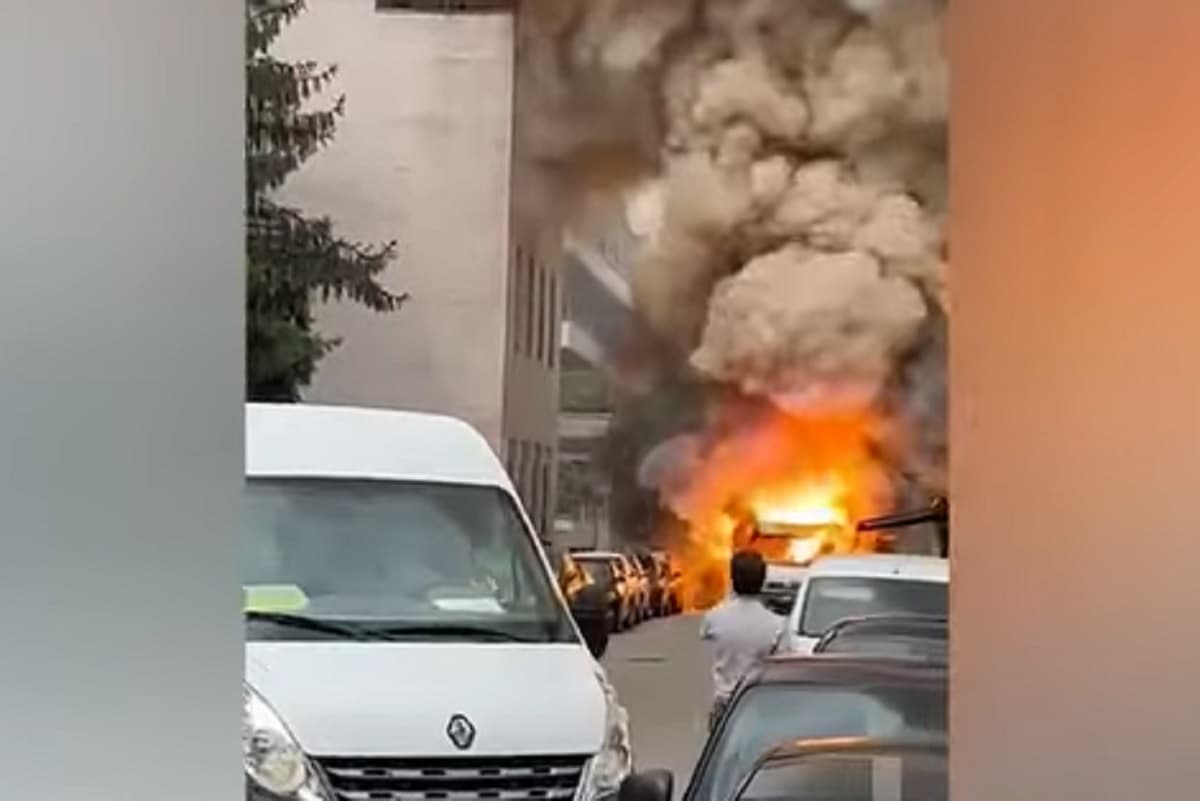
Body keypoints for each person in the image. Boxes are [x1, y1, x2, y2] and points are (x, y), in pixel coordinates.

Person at [700, 549, 784, 731]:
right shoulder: (777, 625)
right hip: (758, 703)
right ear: (763, 581)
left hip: (725, 703)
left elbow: (705, 634)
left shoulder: (714, 617)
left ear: (732, 579)